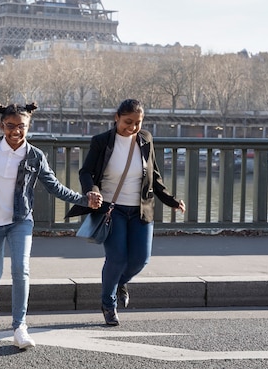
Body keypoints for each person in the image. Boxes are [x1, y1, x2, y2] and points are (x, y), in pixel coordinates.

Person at [0, 102, 103, 349]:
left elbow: (54, 186)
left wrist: (83, 199)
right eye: (10, 126)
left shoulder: (35, 156)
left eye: (21, 126)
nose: (16, 131)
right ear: (2, 126)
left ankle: (19, 326)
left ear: (28, 127)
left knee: (21, 270)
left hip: (20, 220)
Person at [67, 98, 185, 326]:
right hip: (112, 209)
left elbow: (155, 176)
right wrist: (92, 191)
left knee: (141, 259)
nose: (132, 127)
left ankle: (120, 283)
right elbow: (86, 172)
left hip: (141, 209)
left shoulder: (146, 140)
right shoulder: (101, 141)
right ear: (116, 118)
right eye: (127, 122)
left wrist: (171, 200)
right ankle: (108, 304)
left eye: (137, 123)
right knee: (117, 258)